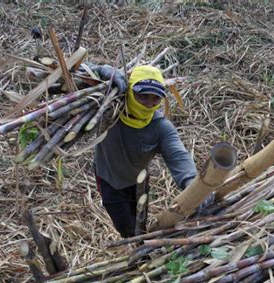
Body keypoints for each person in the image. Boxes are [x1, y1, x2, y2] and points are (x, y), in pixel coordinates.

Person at [90, 64, 213, 238]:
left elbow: (178, 155)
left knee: (140, 220)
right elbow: (75, 74)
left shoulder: (160, 127)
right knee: (125, 227)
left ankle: (141, 246)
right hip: (109, 178)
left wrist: (193, 184)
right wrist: (103, 70)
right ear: (130, 91)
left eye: (155, 98)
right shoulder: (108, 107)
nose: (149, 104)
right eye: (143, 96)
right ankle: (134, 244)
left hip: (140, 181)